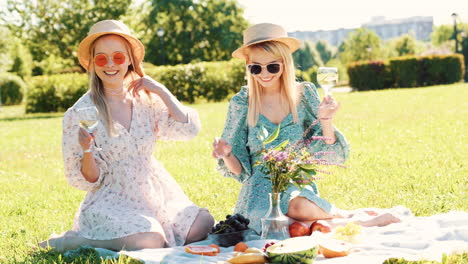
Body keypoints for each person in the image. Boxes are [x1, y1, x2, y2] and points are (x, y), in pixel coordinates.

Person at [39, 20, 214, 252]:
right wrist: (87, 149)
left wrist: (162, 90)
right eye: (101, 58)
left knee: (203, 223)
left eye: (118, 57)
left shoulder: (146, 100)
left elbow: (188, 130)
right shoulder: (80, 112)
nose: (110, 64)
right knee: (150, 240)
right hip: (112, 198)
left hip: (154, 190)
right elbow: (84, 180)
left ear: (130, 59)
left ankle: (152, 231)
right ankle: (76, 241)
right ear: (92, 64)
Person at [212, 23, 400, 233]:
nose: (264, 74)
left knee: (297, 207)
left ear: (285, 63)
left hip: (296, 184)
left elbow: (327, 152)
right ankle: (354, 218)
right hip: (260, 193)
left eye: (272, 66)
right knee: (284, 227)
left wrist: (326, 121)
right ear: (248, 66)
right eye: (256, 67)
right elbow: (240, 171)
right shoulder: (242, 103)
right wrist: (227, 155)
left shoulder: (303, 95)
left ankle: (347, 217)